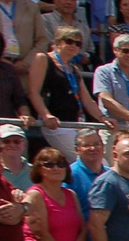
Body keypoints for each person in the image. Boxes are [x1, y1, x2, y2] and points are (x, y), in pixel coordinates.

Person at [27, 27, 101, 157]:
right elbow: (33, 92)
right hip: (55, 124)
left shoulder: (74, 69)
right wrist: (46, 116)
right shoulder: (43, 59)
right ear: (58, 42)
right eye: (69, 41)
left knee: (100, 158)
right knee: (85, 157)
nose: (73, 46)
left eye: (78, 43)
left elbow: (87, 100)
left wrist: (103, 118)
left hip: (75, 122)